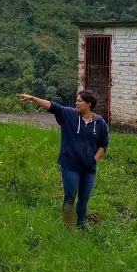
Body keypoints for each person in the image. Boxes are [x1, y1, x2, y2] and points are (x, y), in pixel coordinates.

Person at [17, 90, 109, 229]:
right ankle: (68, 227)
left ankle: (81, 225)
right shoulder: (69, 115)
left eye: (80, 101)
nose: (76, 103)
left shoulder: (99, 122)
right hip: (70, 164)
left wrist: (94, 160)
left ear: (89, 104)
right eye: (76, 100)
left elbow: (103, 144)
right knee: (70, 196)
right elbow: (52, 106)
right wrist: (32, 98)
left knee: (84, 199)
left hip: (88, 167)